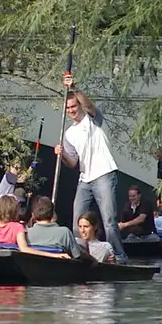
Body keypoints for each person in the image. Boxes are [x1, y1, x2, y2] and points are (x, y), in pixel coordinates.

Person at [53, 89, 127, 260]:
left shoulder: (92, 119)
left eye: (73, 106)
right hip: (85, 178)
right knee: (77, 220)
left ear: (79, 105)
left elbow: (88, 105)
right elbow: (72, 163)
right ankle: (79, 255)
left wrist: (73, 87)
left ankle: (118, 255)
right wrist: (61, 154)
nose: (71, 110)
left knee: (109, 220)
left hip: (104, 173)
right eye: (68, 108)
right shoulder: (69, 134)